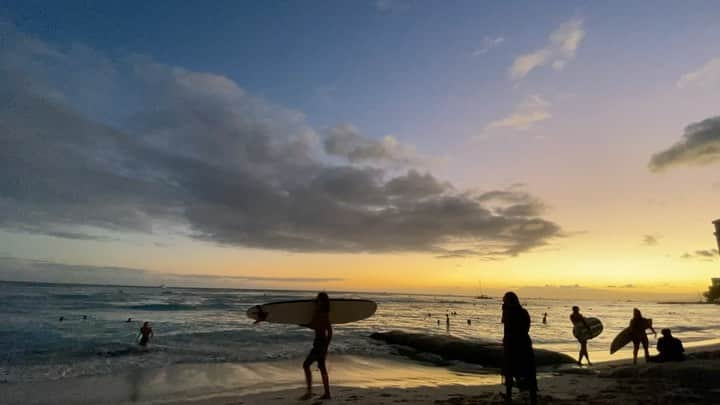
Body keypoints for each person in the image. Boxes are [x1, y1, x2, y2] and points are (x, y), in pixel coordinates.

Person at [501, 292, 537, 405]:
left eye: (504, 301)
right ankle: (533, 398)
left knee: (510, 371)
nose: (503, 303)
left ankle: (508, 396)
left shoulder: (508, 313)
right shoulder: (523, 312)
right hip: (524, 343)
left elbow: (507, 328)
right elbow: (527, 328)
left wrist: (504, 311)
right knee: (528, 372)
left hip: (512, 345)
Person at [300, 292, 332, 400]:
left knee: (306, 365)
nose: (318, 302)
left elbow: (329, 330)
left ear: (323, 302)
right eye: (317, 300)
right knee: (322, 368)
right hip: (320, 343)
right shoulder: (321, 312)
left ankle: (309, 392)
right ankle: (327, 394)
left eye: (319, 301)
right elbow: (315, 327)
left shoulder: (322, 314)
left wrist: (326, 346)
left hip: (320, 344)